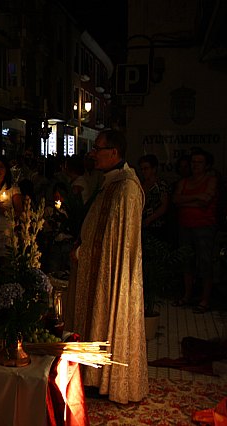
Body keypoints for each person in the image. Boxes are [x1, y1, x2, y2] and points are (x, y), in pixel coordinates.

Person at [68, 130, 148, 404]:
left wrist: (83, 250)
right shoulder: (110, 183)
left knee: (108, 313)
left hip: (112, 273)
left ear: (114, 153)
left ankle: (108, 380)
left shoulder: (126, 188)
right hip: (98, 267)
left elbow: (116, 241)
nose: (92, 153)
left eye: (97, 148)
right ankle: (93, 376)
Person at [172, 148, 218, 313]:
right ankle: (187, 295)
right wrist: (196, 198)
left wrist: (187, 201)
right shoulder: (184, 182)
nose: (195, 165)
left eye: (199, 162)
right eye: (193, 162)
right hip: (185, 225)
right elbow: (176, 200)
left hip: (204, 227)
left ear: (206, 165)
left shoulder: (211, 180)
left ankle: (205, 299)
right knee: (186, 261)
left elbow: (206, 200)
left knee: (205, 261)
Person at [0, 156, 23, 266]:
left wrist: (4, 210)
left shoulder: (12, 189)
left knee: (5, 263)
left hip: (5, 232)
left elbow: (20, 212)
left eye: (2, 167)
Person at [138, 154, 170, 242]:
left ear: (154, 169)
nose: (143, 171)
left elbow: (164, 205)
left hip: (157, 225)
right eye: (142, 169)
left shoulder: (161, 185)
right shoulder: (140, 185)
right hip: (142, 224)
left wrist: (149, 219)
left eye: (146, 168)